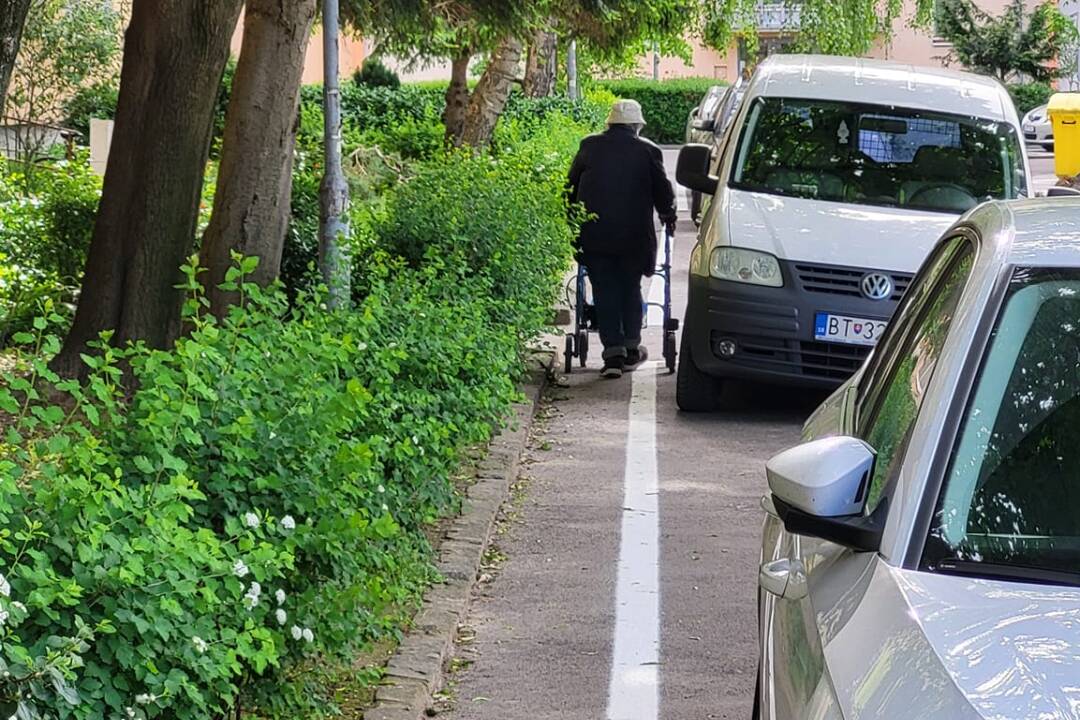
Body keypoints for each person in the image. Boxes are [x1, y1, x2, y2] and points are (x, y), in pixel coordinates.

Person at [567, 98, 677, 379]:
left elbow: (570, 187)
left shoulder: (589, 146)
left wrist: (571, 219)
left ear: (610, 123)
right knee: (630, 286)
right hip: (634, 238)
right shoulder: (648, 150)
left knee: (604, 289)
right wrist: (668, 214)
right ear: (636, 126)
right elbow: (663, 192)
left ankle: (612, 353)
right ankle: (630, 347)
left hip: (594, 235)